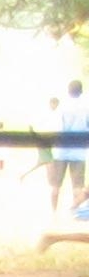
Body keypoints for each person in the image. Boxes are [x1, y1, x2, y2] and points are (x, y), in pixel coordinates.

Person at [56, 79, 89, 212]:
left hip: (62, 150)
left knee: (55, 187)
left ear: (68, 91)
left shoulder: (62, 106)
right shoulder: (86, 105)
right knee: (77, 186)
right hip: (79, 151)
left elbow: (57, 127)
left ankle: (53, 214)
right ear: (81, 91)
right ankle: (75, 211)